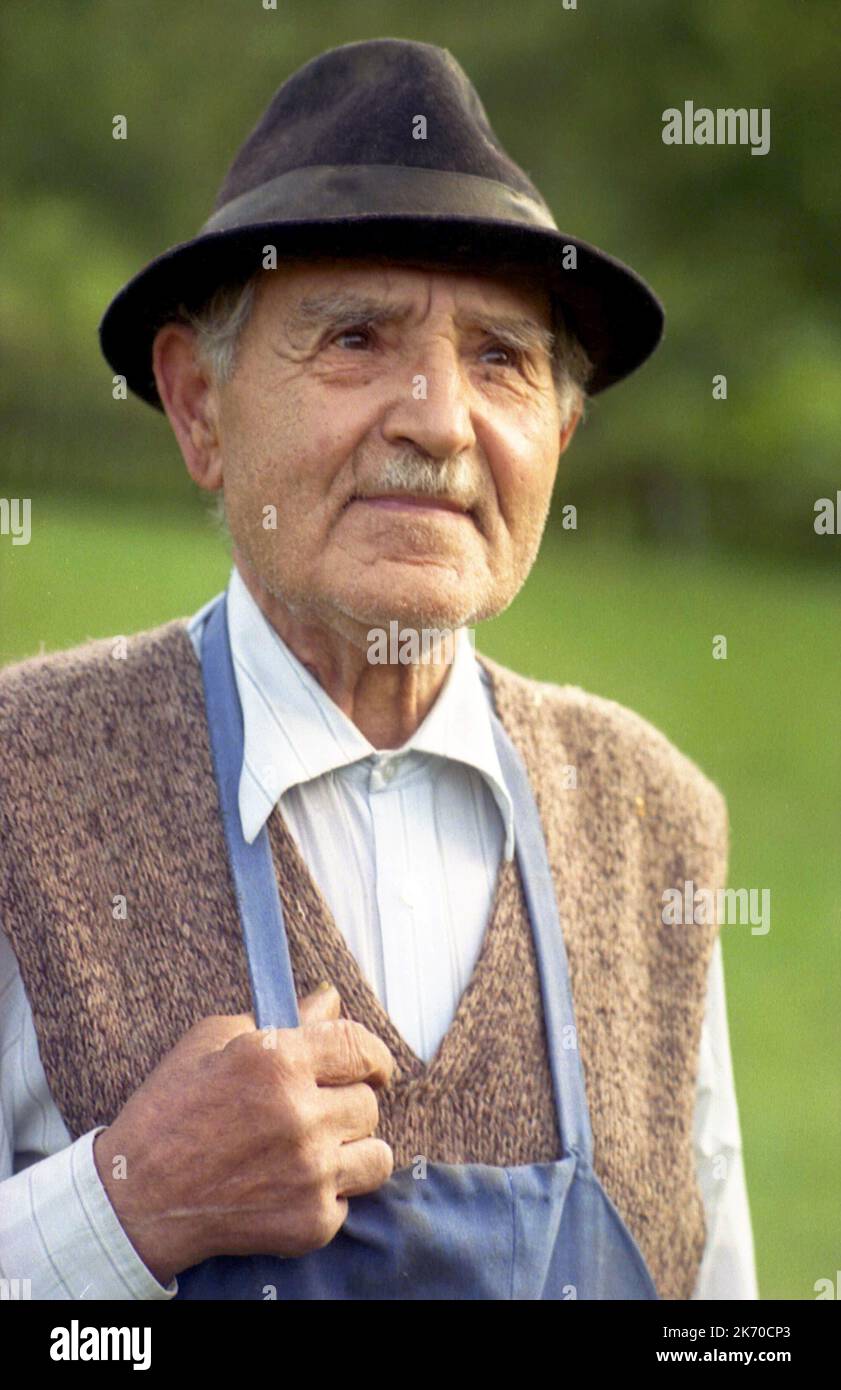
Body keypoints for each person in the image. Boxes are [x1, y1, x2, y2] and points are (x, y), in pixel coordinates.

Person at [0, 37, 757, 1300]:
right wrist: (126, 1198)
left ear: (558, 436)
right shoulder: (23, 782)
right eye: (355, 337)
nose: (439, 418)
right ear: (198, 407)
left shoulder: (651, 820)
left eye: (503, 359)